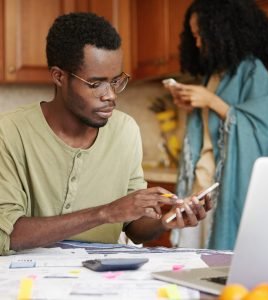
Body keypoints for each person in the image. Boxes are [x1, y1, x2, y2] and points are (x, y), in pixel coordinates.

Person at [0, 12, 213, 255]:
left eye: (115, 81)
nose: (110, 95)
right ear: (59, 77)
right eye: (95, 83)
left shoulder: (125, 131)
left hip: (101, 279)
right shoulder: (10, 132)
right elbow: (8, 234)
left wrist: (164, 222)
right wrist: (105, 212)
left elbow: (133, 226)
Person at [164, 0, 268, 250]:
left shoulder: (252, 71)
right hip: (200, 182)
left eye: (201, 35)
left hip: (225, 186)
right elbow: (212, 126)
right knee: (190, 260)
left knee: (215, 264)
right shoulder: (213, 74)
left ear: (220, 31)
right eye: (194, 36)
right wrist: (193, 105)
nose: (197, 43)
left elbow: (260, 129)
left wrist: (210, 100)